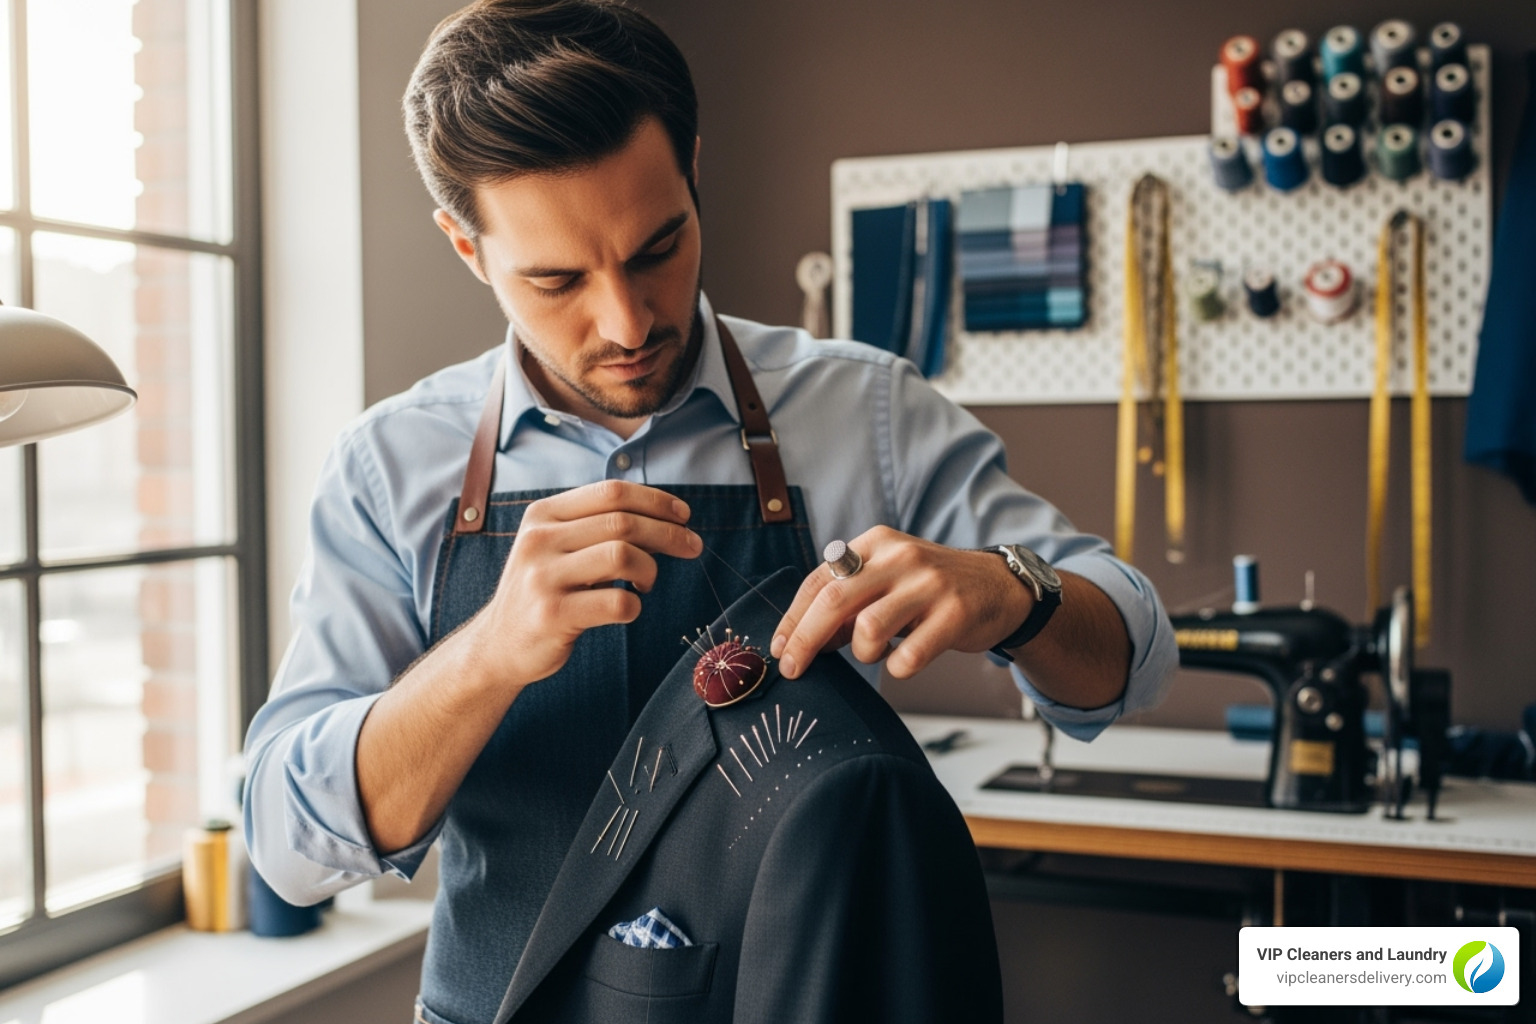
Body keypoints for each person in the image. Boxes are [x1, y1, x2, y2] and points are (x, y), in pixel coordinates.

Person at [244, 1, 1177, 1021]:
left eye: (658, 247)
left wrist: (1012, 591)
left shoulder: (864, 413)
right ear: (468, 250)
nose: (627, 321)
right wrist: (489, 651)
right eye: (556, 280)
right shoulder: (391, 467)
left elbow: (1132, 654)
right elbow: (289, 847)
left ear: (693, 169)